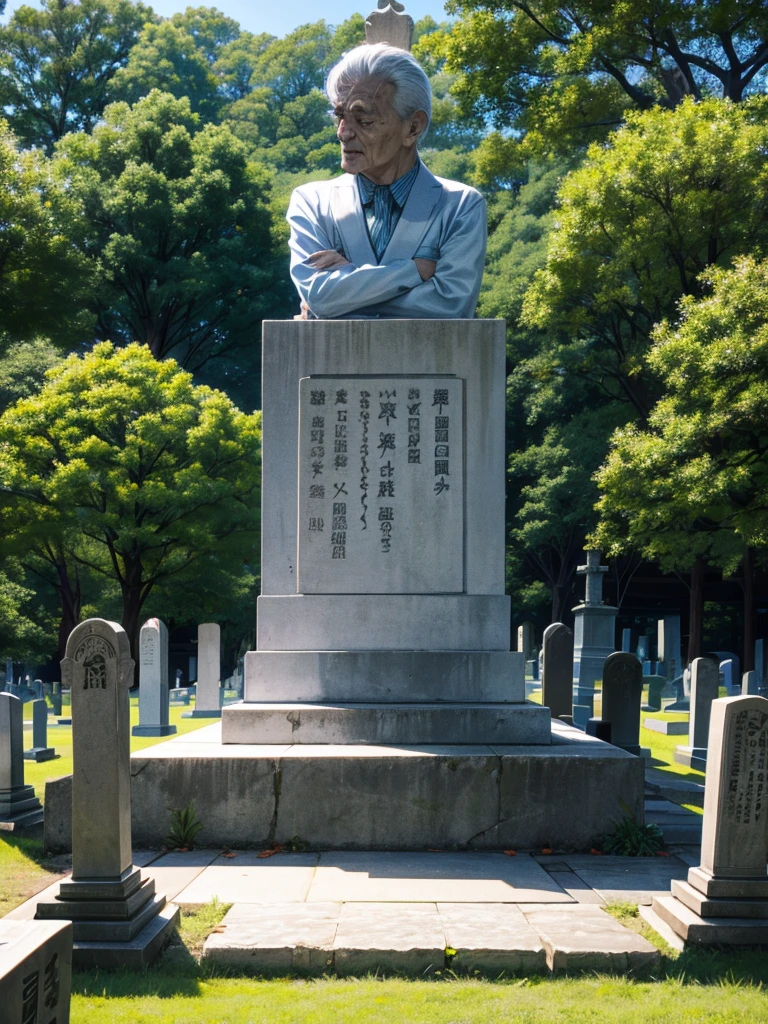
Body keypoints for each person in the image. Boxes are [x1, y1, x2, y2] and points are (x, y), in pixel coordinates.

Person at [287, 43, 486, 319]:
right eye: (340, 116)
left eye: (364, 120)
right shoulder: (311, 202)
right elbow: (319, 294)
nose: (343, 134)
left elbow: (450, 305)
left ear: (413, 128)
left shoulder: (461, 205)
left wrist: (344, 293)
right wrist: (414, 270)